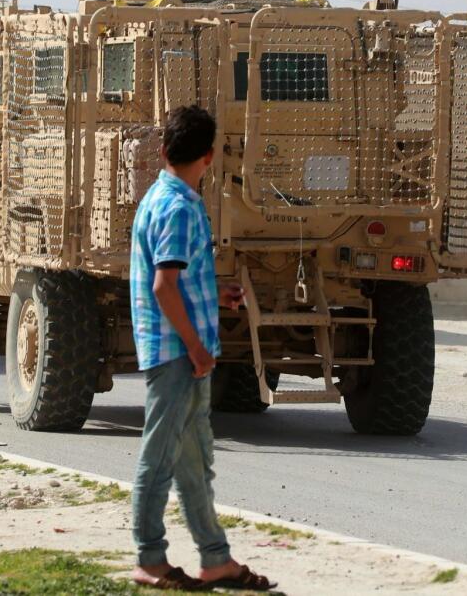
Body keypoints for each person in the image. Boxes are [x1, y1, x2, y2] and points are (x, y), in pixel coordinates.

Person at [129, 105, 277, 592]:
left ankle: (216, 560)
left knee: (194, 465)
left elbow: (181, 280)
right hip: (176, 354)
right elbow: (163, 287)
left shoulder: (160, 197)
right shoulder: (179, 207)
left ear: (166, 149)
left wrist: (217, 293)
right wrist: (196, 348)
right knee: (160, 457)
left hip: (177, 350)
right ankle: (149, 557)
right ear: (209, 157)